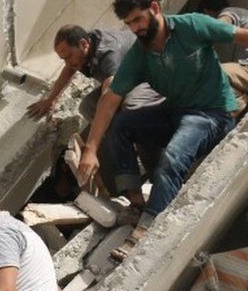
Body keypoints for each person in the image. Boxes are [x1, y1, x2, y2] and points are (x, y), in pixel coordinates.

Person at [78, 0, 248, 263]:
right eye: (129, 24)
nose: (135, 28)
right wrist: (91, 149)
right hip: (176, 111)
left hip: (212, 114)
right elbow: (110, 99)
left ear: (154, 8)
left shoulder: (192, 25)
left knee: (173, 156)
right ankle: (137, 203)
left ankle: (146, 229)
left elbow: (242, 35)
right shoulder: (139, 55)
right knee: (121, 125)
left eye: (138, 20)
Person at [27, 24, 164, 196]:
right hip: (126, 81)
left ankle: (150, 162)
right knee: (88, 106)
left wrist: (91, 149)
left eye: (68, 56)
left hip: (149, 77)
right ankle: (123, 141)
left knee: (131, 109)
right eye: (63, 58)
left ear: (84, 44)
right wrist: (51, 99)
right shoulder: (85, 47)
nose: (68, 62)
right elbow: (69, 69)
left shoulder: (108, 54)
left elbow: (109, 97)